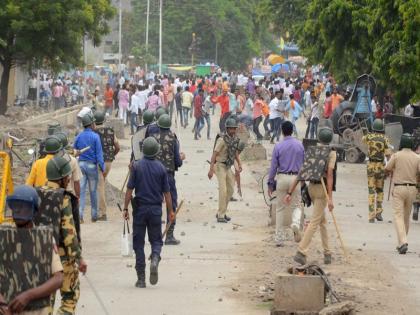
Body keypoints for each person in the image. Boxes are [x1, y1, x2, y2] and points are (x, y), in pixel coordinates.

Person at [0, 185, 64, 315]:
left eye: (23, 206)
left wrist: (28, 295)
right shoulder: (3, 235)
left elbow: (58, 279)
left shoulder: (44, 238)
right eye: (15, 205)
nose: (17, 210)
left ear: (33, 210)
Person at [123, 137, 175, 288]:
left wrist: (126, 208)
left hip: (139, 210)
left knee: (138, 244)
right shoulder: (161, 168)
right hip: (155, 210)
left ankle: (141, 279)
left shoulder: (137, 167)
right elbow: (167, 194)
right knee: (157, 240)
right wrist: (171, 211)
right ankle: (155, 259)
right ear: (156, 151)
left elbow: (129, 190)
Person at [37, 156, 87, 314]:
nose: (69, 178)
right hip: (62, 257)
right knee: (69, 297)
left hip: (39, 256)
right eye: (67, 175)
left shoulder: (35, 194)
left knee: (45, 302)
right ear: (61, 177)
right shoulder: (64, 198)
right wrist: (79, 258)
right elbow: (69, 234)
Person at [285, 124, 337, 265]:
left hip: (311, 189)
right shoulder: (331, 153)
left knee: (322, 221)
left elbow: (302, 172)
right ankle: (301, 252)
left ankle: (327, 253)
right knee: (315, 222)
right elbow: (330, 175)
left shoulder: (312, 150)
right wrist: (330, 198)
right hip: (322, 191)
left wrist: (290, 191)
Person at [268, 121, 305, 246]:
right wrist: (303, 181)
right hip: (296, 178)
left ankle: (279, 237)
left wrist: (270, 183)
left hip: (282, 178)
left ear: (282, 131)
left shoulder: (278, 146)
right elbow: (304, 165)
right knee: (297, 206)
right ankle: (295, 223)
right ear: (292, 130)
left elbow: (273, 166)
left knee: (280, 208)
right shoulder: (300, 145)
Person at [150, 114, 184, 244]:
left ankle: (155, 235)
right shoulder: (173, 138)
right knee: (171, 205)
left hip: (154, 175)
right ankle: (169, 235)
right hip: (168, 176)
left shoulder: (152, 138)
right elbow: (177, 162)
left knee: (155, 204)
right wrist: (181, 158)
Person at [385, 134, 420, 254]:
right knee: (406, 217)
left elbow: (387, 168)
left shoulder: (396, 155)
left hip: (399, 188)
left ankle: (403, 242)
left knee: (398, 216)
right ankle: (400, 244)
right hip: (412, 189)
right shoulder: (417, 157)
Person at [208, 118, 242, 223]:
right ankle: (221, 215)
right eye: (231, 129)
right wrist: (210, 170)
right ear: (227, 129)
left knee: (231, 190)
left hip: (227, 166)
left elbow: (235, 152)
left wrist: (239, 163)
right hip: (219, 166)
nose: (233, 130)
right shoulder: (221, 139)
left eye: (234, 129)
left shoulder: (234, 139)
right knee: (223, 191)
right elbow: (214, 154)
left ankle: (221, 211)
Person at [73, 112, 104, 223]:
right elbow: (99, 153)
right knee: (93, 191)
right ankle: (94, 215)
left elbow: (74, 150)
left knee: (80, 192)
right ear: (91, 124)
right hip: (92, 166)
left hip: (80, 165)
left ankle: (80, 216)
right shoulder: (95, 137)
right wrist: (102, 166)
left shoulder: (79, 136)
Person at [362, 119, 391, 223]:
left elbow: (363, 139)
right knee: (380, 190)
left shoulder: (369, 137)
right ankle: (379, 212)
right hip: (380, 167)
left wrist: (369, 133)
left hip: (370, 166)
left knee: (371, 191)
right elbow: (388, 155)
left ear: (374, 128)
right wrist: (389, 169)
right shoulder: (385, 139)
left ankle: (371, 215)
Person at [94, 111, 120, 221]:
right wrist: (111, 155)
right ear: (104, 120)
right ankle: (101, 209)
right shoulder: (110, 131)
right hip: (109, 162)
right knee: (102, 183)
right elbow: (117, 147)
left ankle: (103, 213)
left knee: (100, 187)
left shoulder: (94, 132)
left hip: (99, 162)